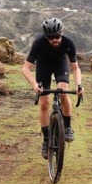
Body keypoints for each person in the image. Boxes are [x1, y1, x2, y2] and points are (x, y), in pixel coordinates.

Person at [22, 17, 83, 159]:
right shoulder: (38, 43)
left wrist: (79, 85)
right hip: (43, 66)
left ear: (62, 33)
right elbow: (25, 68)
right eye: (50, 37)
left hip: (60, 64)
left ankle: (67, 127)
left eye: (57, 36)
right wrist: (35, 85)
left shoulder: (68, 43)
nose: (54, 40)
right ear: (45, 36)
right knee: (44, 104)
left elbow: (75, 68)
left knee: (63, 94)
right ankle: (46, 139)